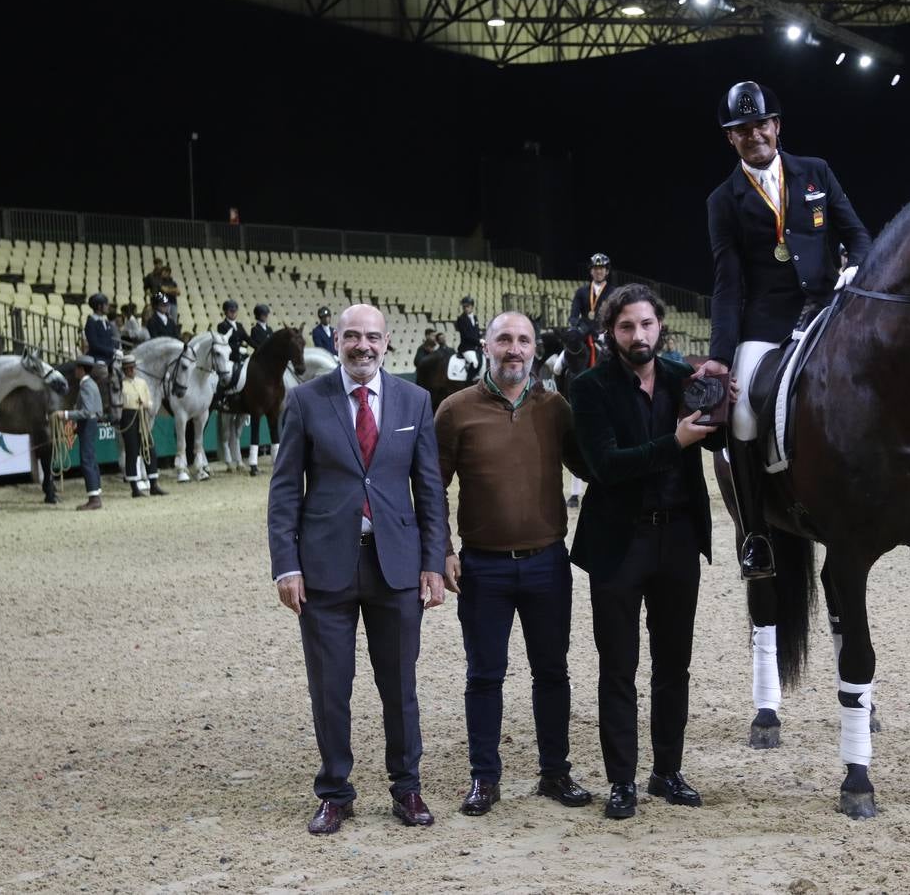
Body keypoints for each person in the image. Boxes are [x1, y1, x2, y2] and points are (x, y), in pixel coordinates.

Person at [267, 303, 448, 836]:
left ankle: (407, 788)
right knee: (330, 687)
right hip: (325, 568)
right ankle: (335, 793)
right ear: (337, 341)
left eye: (372, 337)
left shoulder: (415, 400)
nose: (362, 346)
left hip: (397, 566)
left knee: (400, 686)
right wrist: (285, 566)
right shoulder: (305, 400)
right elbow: (284, 490)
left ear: (387, 342)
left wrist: (433, 562)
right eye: (351, 336)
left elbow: (429, 490)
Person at [697, 80, 872, 580]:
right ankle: (756, 534)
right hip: (766, 320)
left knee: (895, 358)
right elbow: (727, 283)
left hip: (829, 305)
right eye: (743, 129)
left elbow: (856, 234)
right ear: (730, 138)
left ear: (776, 126)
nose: (754, 134)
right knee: (743, 416)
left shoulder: (816, 172)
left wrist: (856, 269)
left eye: (761, 125)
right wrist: (720, 355)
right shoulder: (723, 200)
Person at [569, 284, 726, 821]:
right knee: (618, 667)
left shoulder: (686, 379)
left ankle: (667, 771)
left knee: (674, 665)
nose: (638, 334)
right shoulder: (588, 387)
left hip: (678, 538)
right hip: (619, 542)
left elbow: (719, 439)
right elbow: (606, 466)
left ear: (661, 326)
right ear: (611, 332)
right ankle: (621, 781)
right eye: (626, 326)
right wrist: (675, 442)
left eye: (646, 324)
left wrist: (724, 396)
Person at [435, 311, 594, 817]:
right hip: (483, 568)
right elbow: (431, 488)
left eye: (524, 340)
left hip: (548, 562)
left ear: (534, 349)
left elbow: (593, 466)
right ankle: (484, 778)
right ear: (487, 346)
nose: (515, 349)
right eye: (504, 339)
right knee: (484, 675)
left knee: (552, 672)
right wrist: (442, 550)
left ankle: (555, 772)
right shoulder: (455, 410)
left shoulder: (556, 408)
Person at [55, 355, 105, 511]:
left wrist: (65, 414)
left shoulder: (86, 386)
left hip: (88, 423)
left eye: (77, 368)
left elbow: (86, 411)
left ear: (82, 369)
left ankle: (94, 498)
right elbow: (98, 410)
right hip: (90, 423)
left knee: (86, 460)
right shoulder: (92, 384)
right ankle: (96, 492)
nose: (75, 371)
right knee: (91, 458)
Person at [118, 354, 166, 497]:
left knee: (149, 449)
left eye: (133, 368)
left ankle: (153, 484)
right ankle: (134, 487)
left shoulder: (142, 382)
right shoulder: (121, 384)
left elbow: (149, 401)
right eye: (128, 368)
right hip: (128, 417)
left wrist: (146, 404)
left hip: (142, 417)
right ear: (124, 370)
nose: (131, 370)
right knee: (132, 451)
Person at [569, 253, 615, 331]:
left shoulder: (614, 292)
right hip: (586, 333)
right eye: (595, 268)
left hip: (606, 332)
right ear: (591, 271)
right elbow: (573, 317)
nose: (598, 271)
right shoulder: (581, 291)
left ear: (607, 271)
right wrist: (581, 327)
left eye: (601, 268)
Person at [84, 293, 120, 367]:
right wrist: (112, 351)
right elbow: (94, 345)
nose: (108, 307)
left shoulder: (105, 322)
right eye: (106, 304)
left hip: (108, 357)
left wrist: (115, 350)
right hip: (98, 358)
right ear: (99, 306)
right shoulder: (91, 323)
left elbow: (109, 340)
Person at [455, 296, 483, 376]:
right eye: (464, 307)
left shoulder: (475, 318)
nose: (465, 308)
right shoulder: (461, 319)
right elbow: (466, 336)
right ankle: (469, 381)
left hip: (476, 347)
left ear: (472, 306)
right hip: (466, 347)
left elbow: (476, 332)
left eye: (467, 306)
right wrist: (478, 341)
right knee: (475, 363)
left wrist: (481, 339)